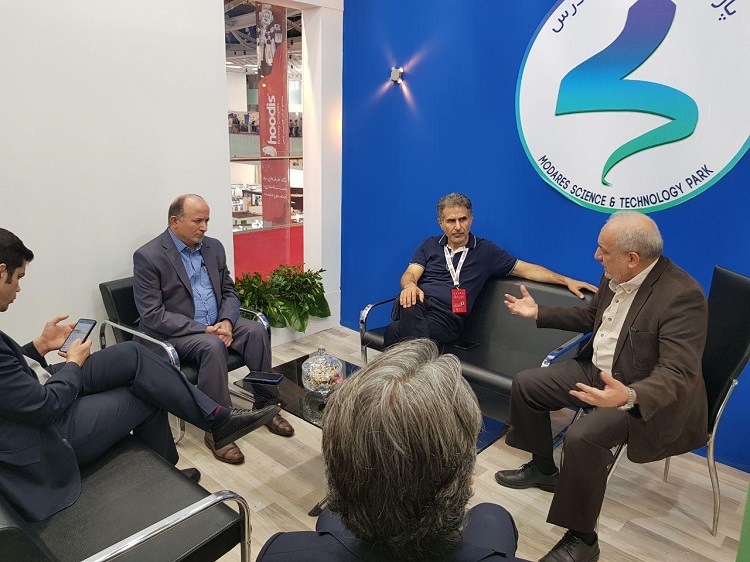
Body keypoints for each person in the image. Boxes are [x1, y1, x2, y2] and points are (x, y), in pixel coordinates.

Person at [0, 228, 280, 522]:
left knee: (133, 355)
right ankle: (176, 466)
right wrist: (72, 364)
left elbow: (10, 378)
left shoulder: (212, 249)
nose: (18, 289)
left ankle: (214, 422)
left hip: (39, 386)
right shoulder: (149, 256)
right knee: (149, 391)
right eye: (18, 278)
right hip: (45, 435)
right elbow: (45, 406)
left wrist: (38, 346)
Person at [495, 211, 708, 562]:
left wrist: (630, 395)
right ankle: (543, 469)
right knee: (527, 383)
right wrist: (539, 313)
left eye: (603, 251)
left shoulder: (681, 296)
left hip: (641, 393)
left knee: (583, 437)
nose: (596, 256)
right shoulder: (616, 273)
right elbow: (592, 318)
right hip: (599, 370)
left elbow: (679, 372)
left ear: (632, 258)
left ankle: (583, 540)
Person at [257, 339, 528, 561]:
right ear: (466, 477)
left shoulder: (278, 553)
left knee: (329, 519)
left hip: (359, 540)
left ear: (336, 472)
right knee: (493, 515)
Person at [133, 194, 294, 465]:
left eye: (207, 220)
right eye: (198, 221)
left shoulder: (213, 247)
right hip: (176, 334)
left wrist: (227, 322)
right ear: (175, 221)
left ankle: (265, 404)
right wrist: (204, 329)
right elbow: (152, 315)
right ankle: (219, 427)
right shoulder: (149, 256)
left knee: (255, 331)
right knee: (212, 345)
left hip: (217, 323)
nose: (204, 227)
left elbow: (229, 291)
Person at [384, 192, 598, 347]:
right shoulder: (429, 245)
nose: (457, 226)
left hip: (447, 318)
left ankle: (397, 386)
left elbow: (527, 270)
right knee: (410, 302)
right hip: (419, 305)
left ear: (471, 219)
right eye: (451, 221)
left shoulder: (485, 251)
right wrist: (410, 285)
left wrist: (566, 280)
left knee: (395, 331)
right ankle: (413, 382)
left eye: (462, 219)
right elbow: (410, 274)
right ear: (441, 223)